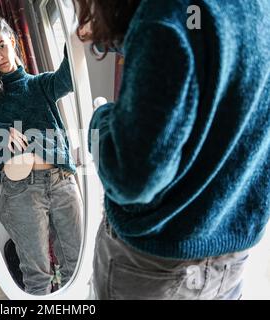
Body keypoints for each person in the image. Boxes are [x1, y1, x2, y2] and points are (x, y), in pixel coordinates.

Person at [74, 0, 270, 299]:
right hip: (230, 257)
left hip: (153, 266)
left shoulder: (166, 16)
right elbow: (208, 57)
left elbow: (131, 178)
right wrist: (133, 40)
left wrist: (99, 121)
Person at [0, 16, 82, 295]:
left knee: (77, 267)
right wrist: (0, 130)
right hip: (19, 191)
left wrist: (75, 29)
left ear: (14, 43)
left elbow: (70, 76)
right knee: (37, 276)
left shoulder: (40, 85)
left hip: (61, 181)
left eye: (1, 46)